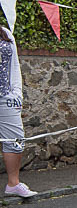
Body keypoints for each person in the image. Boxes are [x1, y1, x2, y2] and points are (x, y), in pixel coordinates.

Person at [1, 26, 37, 197]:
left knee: (15, 139)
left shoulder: (5, 33)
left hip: (6, 95)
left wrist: (16, 93)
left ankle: (13, 184)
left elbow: (14, 65)